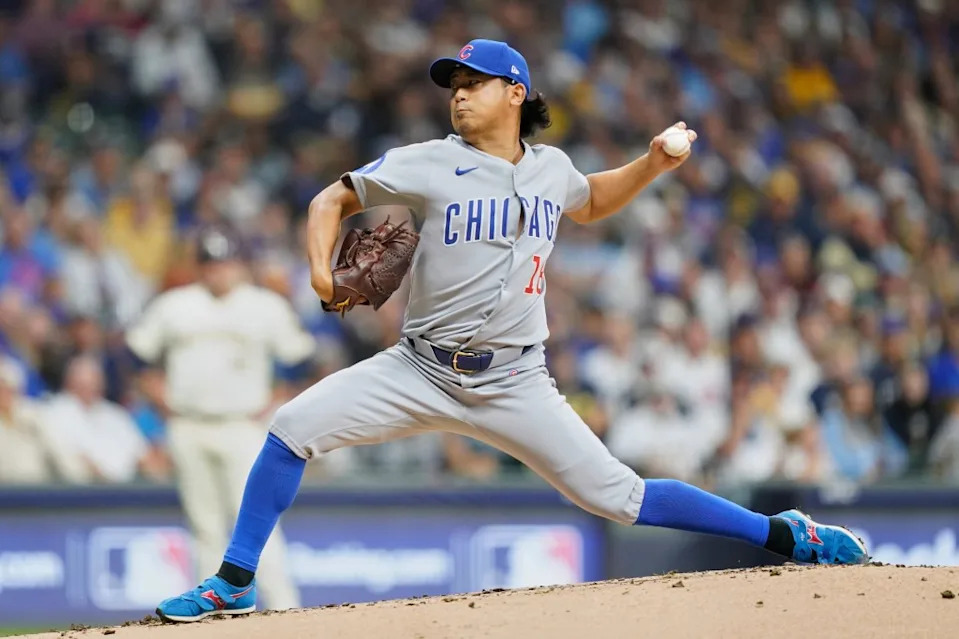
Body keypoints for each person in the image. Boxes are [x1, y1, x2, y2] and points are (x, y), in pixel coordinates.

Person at [156, 39, 868, 623]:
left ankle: (785, 532)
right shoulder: (428, 160)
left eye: (475, 82)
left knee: (619, 497)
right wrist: (320, 273)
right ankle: (235, 580)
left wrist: (653, 163)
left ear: (515, 93)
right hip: (418, 368)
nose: (459, 94)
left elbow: (591, 200)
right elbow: (329, 200)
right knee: (290, 428)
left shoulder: (551, 169)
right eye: (454, 85)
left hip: (515, 379)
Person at [128, 227, 314, 615]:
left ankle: (286, 610)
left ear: (240, 265)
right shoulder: (175, 305)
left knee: (259, 523)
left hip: (243, 426)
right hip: (188, 424)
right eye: (211, 264)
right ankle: (210, 612)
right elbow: (136, 356)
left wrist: (279, 397)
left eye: (226, 263)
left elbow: (301, 358)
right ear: (199, 267)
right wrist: (157, 395)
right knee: (205, 526)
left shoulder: (264, 305)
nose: (219, 271)